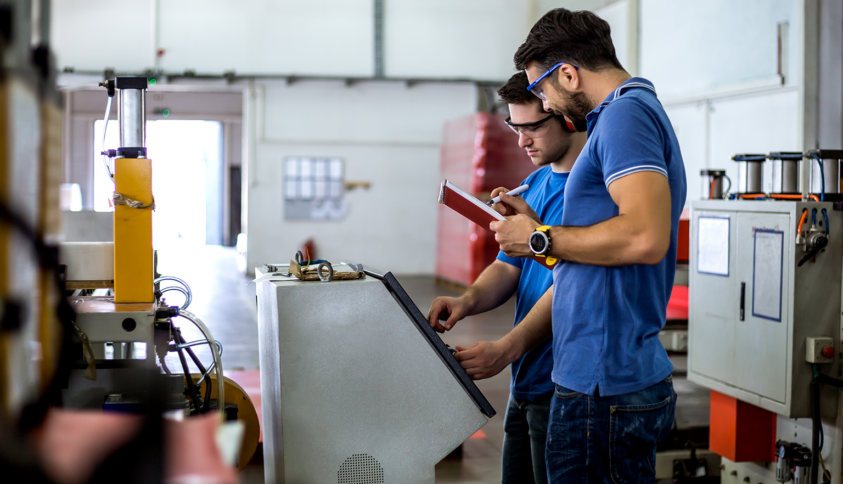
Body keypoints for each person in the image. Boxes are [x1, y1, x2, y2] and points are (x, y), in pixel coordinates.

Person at [461, 9, 687, 483]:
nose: (548, 104)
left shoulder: (625, 116)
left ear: (568, 73)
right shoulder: (623, 116)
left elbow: (645, 236)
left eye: (542, 92)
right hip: (596, 377)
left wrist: (538, 237)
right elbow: (603, 247)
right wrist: (535, 231)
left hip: (604, 383)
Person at [427, 71, 585, 484]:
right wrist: (468, 300)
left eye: (532, 127)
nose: (522, 141)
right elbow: (508, 266)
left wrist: (506, 348)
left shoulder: (591, 194)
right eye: (515, 128)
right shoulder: (534, 185)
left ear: (566, 115)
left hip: (565, 386)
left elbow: (572, 287)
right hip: (527, 383)